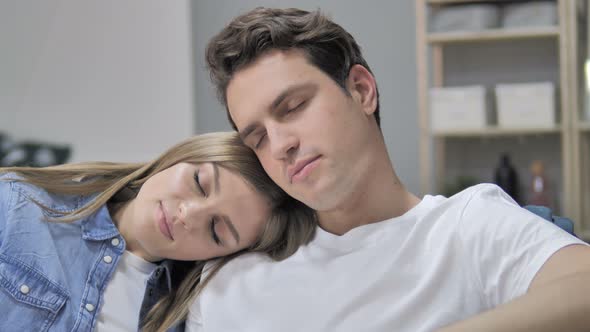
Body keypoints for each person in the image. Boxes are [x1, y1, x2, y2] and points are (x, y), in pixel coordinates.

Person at [187, 7, 590, 332]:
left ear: (362, 90)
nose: (279, 146)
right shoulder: (226, 284)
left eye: (292, 107)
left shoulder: (467, 227)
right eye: (257, 138)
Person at [0, 131, 316, 332]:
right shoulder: (16, 204)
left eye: (216, 230)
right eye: (199, 184)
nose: (188, 215)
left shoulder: (181, 319)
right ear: (182, 157)